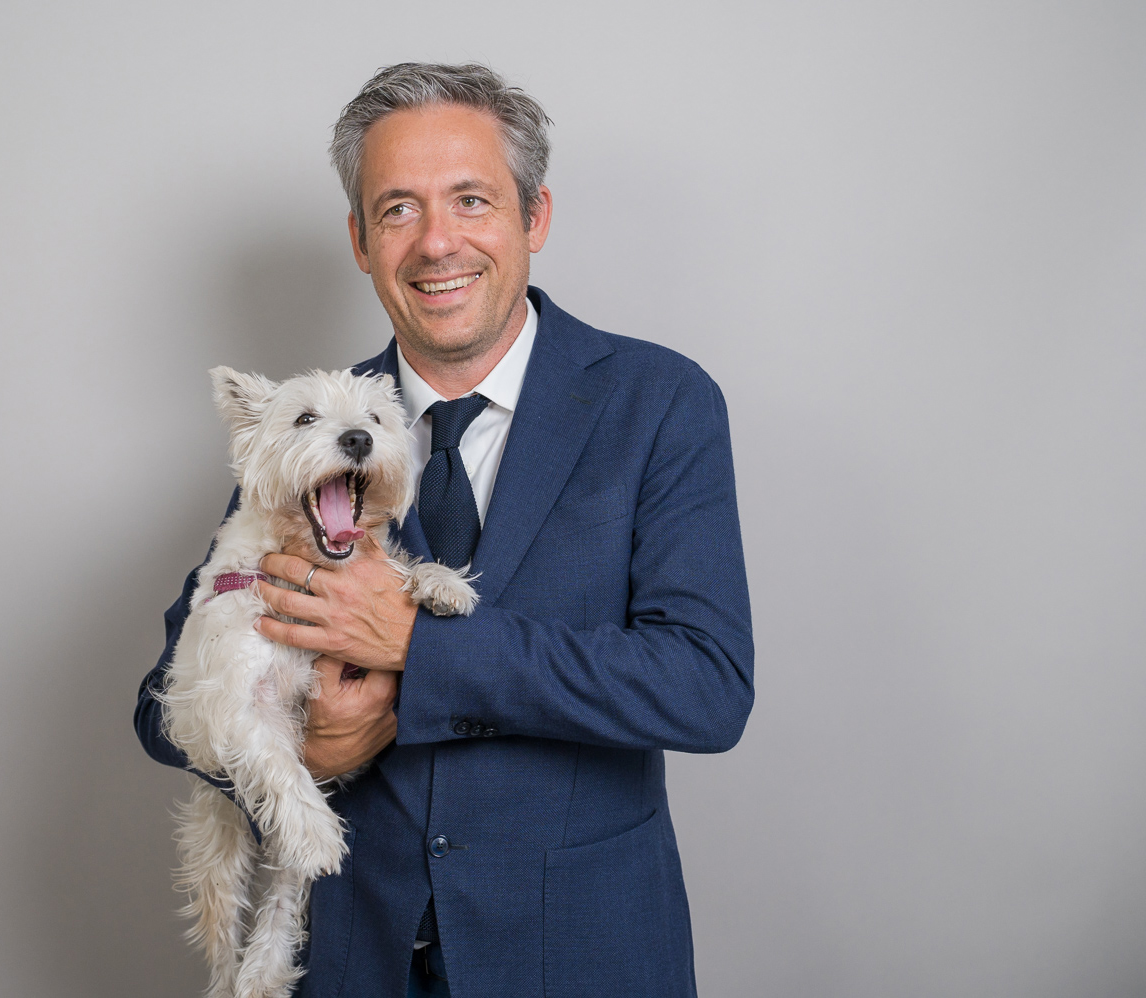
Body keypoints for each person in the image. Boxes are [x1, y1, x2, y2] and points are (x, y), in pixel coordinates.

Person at [136, 63, 754, 998]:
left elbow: (705, 687)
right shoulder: (306, 431)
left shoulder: (660, 402)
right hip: (357, 965)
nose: (436, 243)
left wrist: (418, 646)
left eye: (471, 200)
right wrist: (301, 755)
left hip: (581, 960)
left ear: (534, 217)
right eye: (398, 210)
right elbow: (162, 705)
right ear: (360, 240)